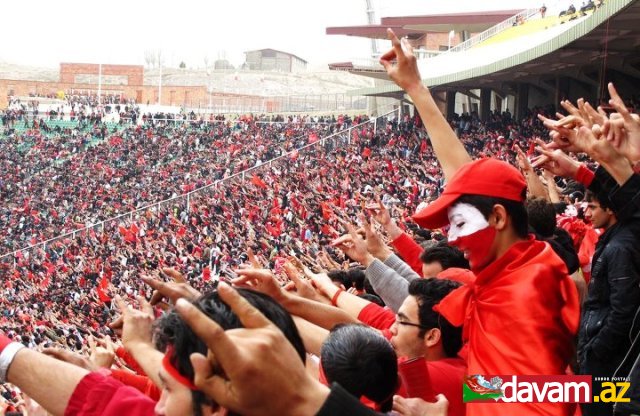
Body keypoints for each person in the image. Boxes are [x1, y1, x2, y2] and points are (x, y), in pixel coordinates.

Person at [380, 28, 580, 416]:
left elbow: (538, 404)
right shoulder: (513, 268)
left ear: (499, 218)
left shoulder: (525, 291)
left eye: (459, 224)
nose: (453, 239)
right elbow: (540, 389)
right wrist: (417, 89)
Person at [578, 191, 640, 416]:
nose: (586, 213)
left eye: (593, 207)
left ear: (611, 209)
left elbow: (623, 310)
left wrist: (597, 350)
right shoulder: (613, 240)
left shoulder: (619, 248)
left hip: (606, 356)